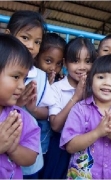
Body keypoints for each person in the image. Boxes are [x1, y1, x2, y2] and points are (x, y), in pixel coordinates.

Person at [60, 54, 111, 179]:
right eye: (101, 77)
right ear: (91, 80)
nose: (107, 83)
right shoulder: (79, 110)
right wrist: (97, 132)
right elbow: (70, 146)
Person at [6, 10, 56, 178]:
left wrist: (32, 109)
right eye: (25, 38)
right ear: (8, 35)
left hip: (26, 152)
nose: (31, 46)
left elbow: (49, 111)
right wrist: (15, 104)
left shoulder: (40, 76)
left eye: (37, 42)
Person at [43, 37, 96, 179]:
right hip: (60, 147)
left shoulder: (96, 88)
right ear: (65, 62)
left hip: (86, 147)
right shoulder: (56, 88)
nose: (82, 66)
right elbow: (55, 125)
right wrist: (77, 96)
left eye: (88, 61)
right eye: (75, 61)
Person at [0, 33, 40, 179]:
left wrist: (13, 148)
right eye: (16, 77)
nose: (22, 86)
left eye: (24, 78)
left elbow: (30, 158)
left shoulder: (21, 118)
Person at [34, 32, 66, 178]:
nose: (53, 67)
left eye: (58, 63)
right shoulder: (32, 78)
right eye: (48, 61)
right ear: (37, 56)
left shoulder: (57, 82)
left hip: (44, 143)